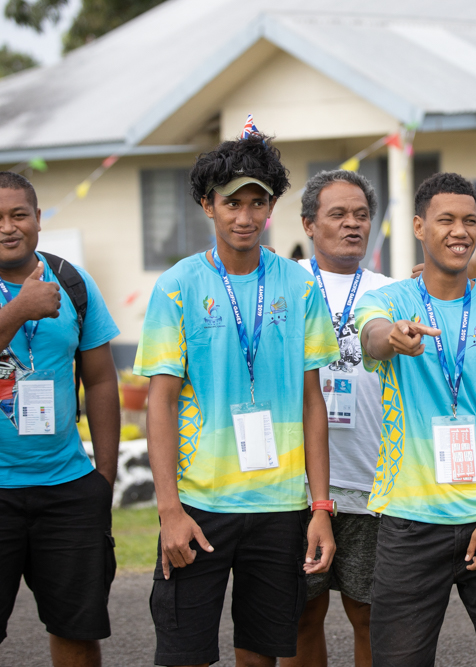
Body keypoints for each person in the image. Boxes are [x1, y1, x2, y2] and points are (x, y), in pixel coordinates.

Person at [134, 132, 341, 667]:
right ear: (208, 204)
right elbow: (159, 402)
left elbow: (311, 402)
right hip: (198, 507)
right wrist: (169, 510)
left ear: (272, 206)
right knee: (184, 653)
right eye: (232, 202)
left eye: (257, 202)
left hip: (280, 507)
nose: (244, 216)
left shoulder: (300, 287)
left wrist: (320, 508)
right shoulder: (177, 286)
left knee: (261, 652)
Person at [355, 172, 476, 667]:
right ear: (420, 226)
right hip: (409, 522)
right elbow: (371, 335)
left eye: (470, 220)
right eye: (446, 220)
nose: (460, 231)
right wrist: (392, 336)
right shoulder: (392, 301)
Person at [0, 172, 121, 667]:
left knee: (79, 632)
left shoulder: (73, 282)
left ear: (38, 220)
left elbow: (100, 380)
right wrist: (19, 309)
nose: (7, 227)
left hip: (67, 487)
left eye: (19, 215)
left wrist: (103, 477)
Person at [282, 170, 394, 667]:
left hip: (373, 481)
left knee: (370, 614)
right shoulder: (283, 285)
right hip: (296, 486)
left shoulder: (393, 291)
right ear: (309, 224)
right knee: (301, 615)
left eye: (362, 215)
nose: (352, 224)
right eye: (338, 214)